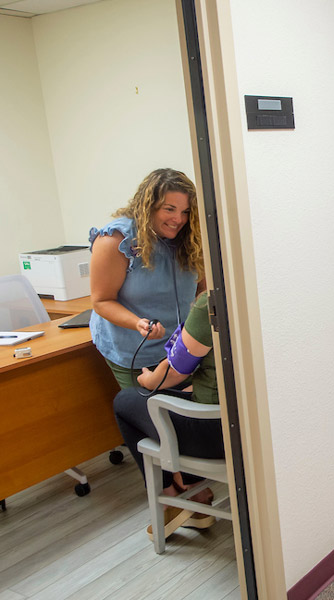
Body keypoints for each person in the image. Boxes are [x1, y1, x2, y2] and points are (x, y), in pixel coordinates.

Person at [114, 291, 225, 539]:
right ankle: (194, 489)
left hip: (215, 435)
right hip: (255, 426)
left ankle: (172, 502)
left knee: (125, 402)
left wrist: (148, 379)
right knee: (181, 392)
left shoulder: (212, 303)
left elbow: (173, 372)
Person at [89, 168, 205, 389]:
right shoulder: (116, 240)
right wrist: (137, 323)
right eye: (169, 209)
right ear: (148, 206)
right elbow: (101, 300)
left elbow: (204, 292)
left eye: (186, 212)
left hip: (182, 351)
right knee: (147, 416)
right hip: (134, 349)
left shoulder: (190, 237)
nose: (178, 219)